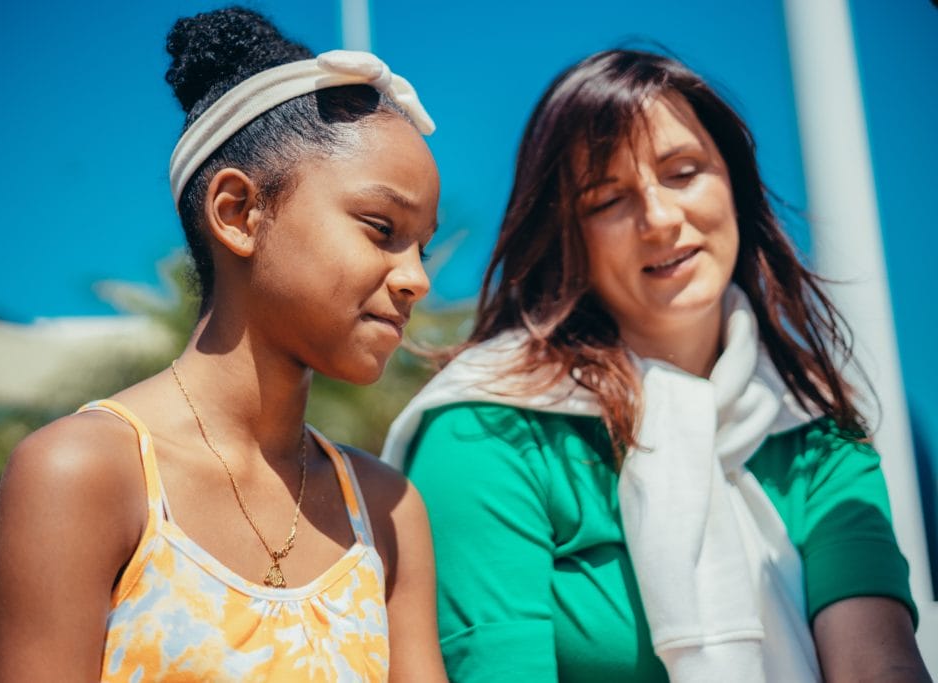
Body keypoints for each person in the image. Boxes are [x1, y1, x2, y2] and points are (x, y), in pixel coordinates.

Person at [383, 49, 930, 682]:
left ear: (735, 183)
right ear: (568, 237)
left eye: (683, 171)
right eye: (608, 199)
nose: (661, 219)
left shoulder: (813, 432)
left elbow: (877, 665)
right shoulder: (485, 431)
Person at [0, 7, 447, 681]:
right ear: (238, 212)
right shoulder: (84, 474)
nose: (416, 279)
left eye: (422, 247)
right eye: (381, 228)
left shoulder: (387, 509)